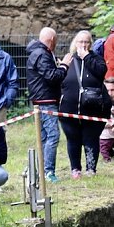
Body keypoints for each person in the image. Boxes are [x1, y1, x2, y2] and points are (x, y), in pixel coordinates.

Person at [59, 30, 111, 179]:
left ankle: (91, 168)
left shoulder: (97, 59)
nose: (83, 45)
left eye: (86, 42)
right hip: (69, 109)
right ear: (75, 43)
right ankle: (75, 169)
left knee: (91, 138)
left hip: (92, 109)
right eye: (80, 42)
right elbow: (59, 77)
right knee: (73, 139)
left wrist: (86, 57)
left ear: (90, 44)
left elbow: (102, 72)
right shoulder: (69, 59)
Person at [26, 27, 72, 183]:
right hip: (45, 102)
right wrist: (65, 65)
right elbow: (52, 77)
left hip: (42, 101)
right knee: (52, 135)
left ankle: (39, 170)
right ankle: (48, 171)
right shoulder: (42, 54)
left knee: (44, 138)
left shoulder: (40, 53)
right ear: (52, 40)